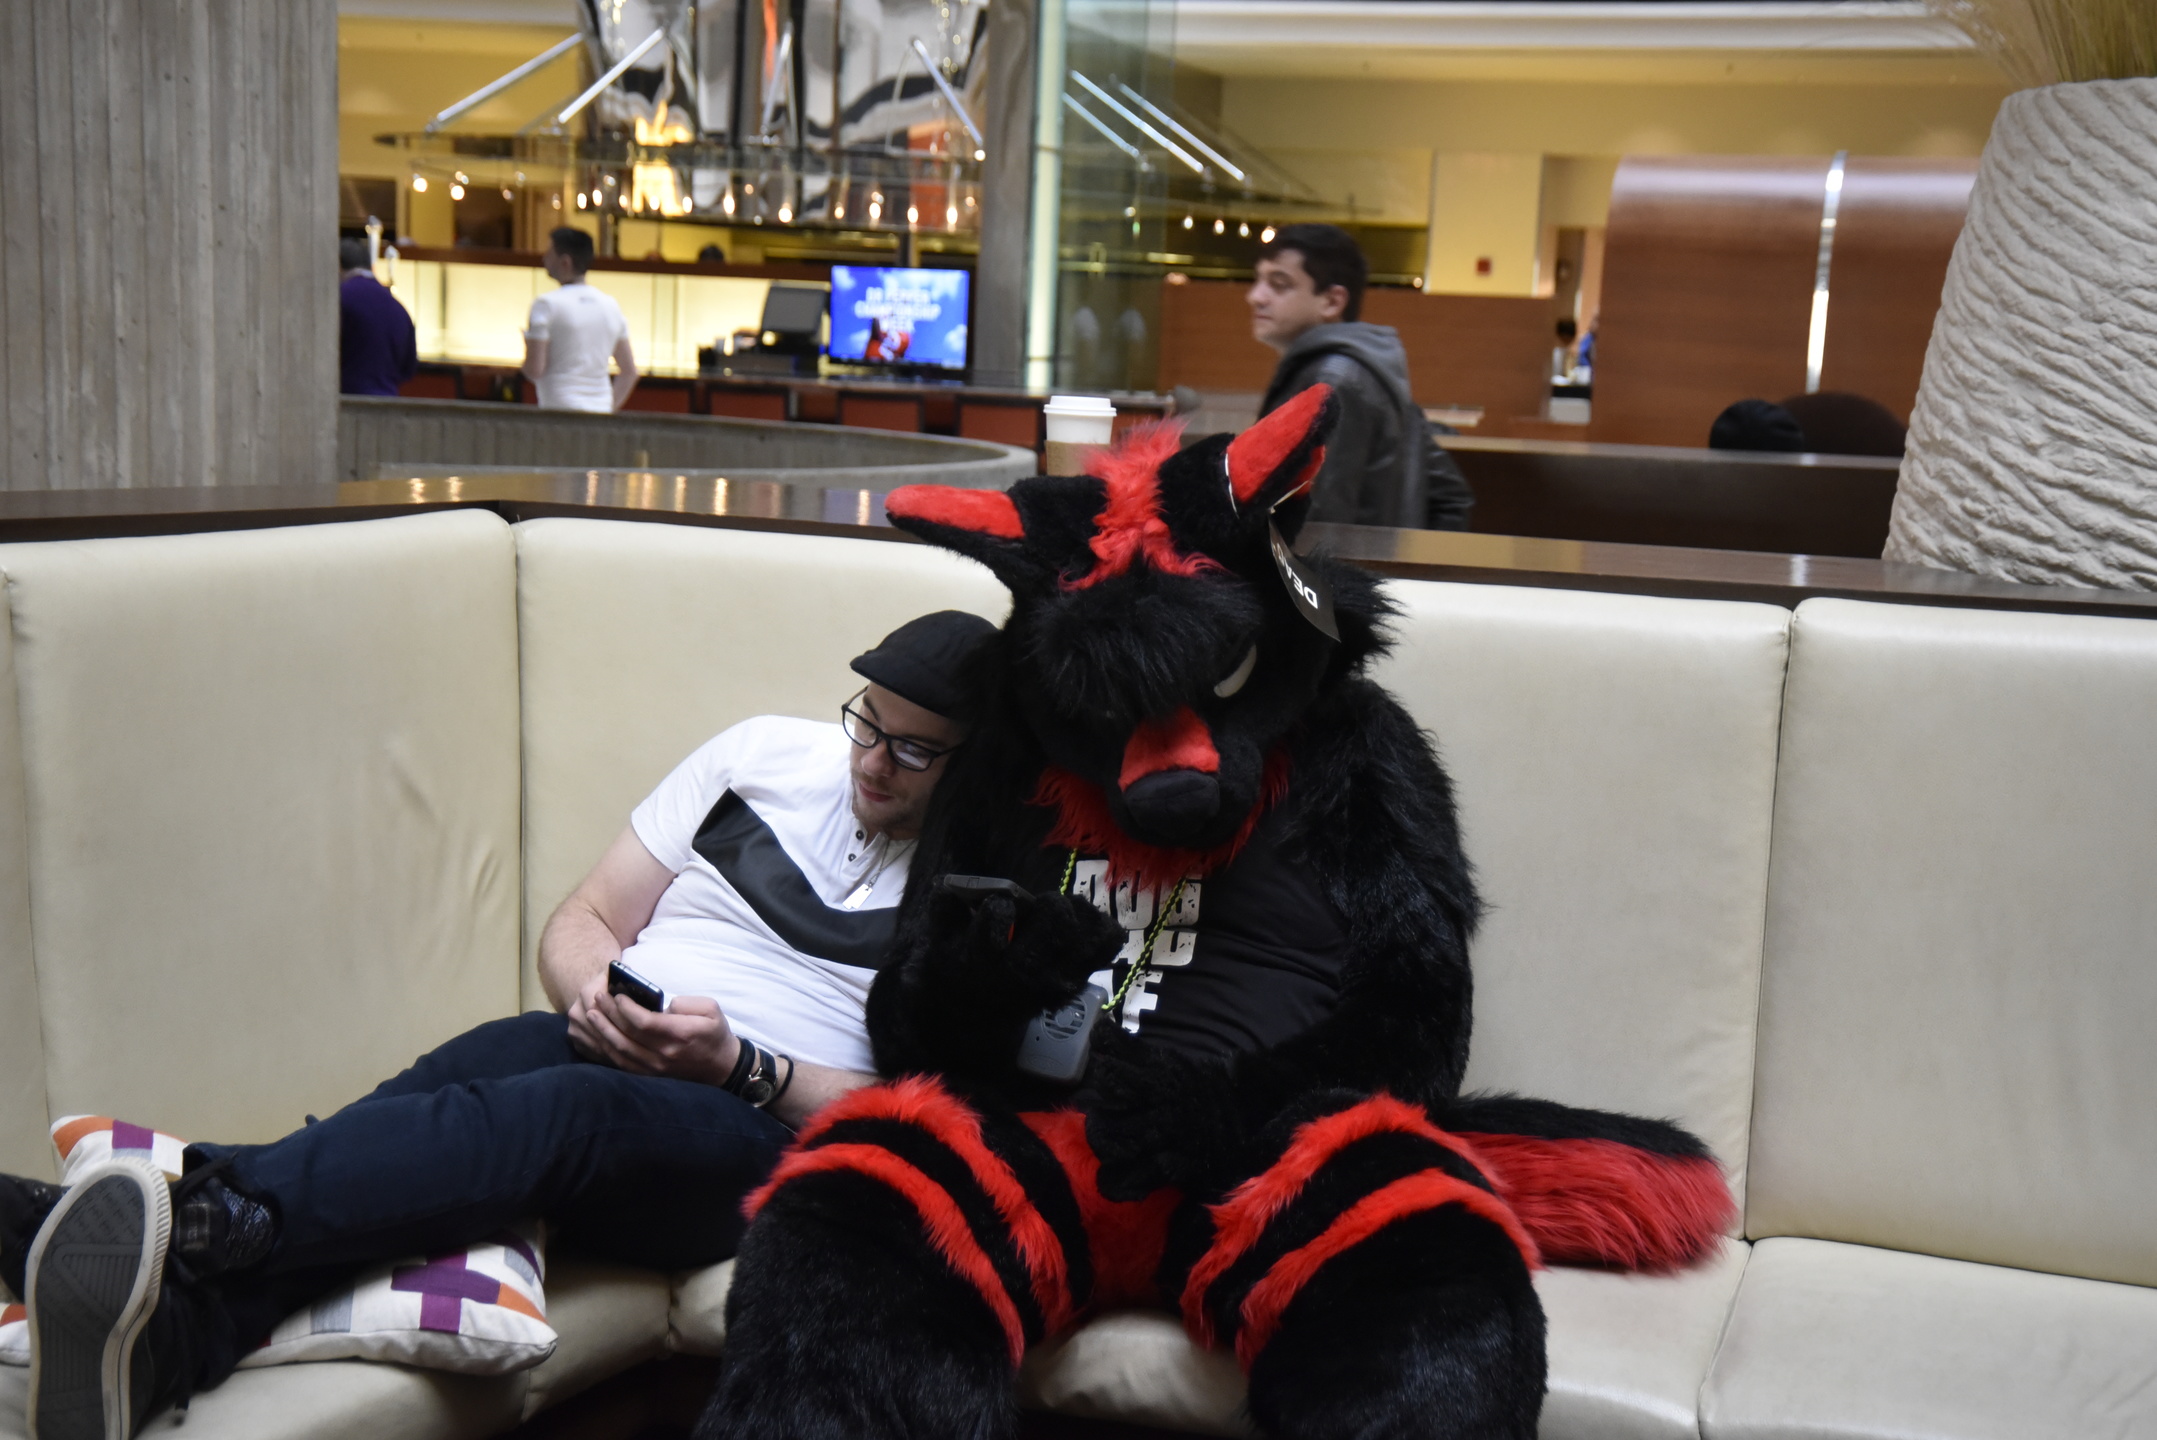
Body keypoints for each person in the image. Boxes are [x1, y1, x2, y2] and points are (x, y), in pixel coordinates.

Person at [5, 610, 996, 1440]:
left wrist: (742, 1066)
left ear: (982, 762)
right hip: (619, 1044)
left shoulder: (988, 889)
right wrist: (599, 1000)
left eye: (913, 751)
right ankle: (177, 1329)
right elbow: (585, 916)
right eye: (868, 725)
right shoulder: (761, 755)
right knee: (477, 1065)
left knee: (564, 1114)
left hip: (765, 1132)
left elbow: (951, 1119)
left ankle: (175, 1217)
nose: (874, 763)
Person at [1247, 223, 1474, 531]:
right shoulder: (1370, 370)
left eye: (1279, 284)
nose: (1255, 296)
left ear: (1332, 302)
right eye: (1258, 280)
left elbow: (1310, 527)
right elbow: (1450, 497)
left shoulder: (1332, 382)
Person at [522, 227, 638, 412]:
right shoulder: (611, 306)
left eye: (549, 253)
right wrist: (608, 408)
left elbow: (534, 369)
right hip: (599, 410)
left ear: (565, 262)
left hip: (559, 408)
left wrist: (529, 346)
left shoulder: (546, 305)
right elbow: (630, 372)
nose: (544, 258)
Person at [337, 237, 416, 397]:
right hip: (388, 401)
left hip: (348, 400)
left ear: (338, 265)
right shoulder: (399, 308)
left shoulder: (339, 297)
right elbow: (409, 368)